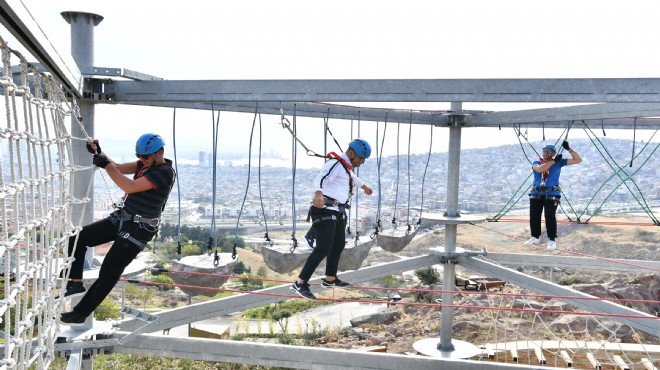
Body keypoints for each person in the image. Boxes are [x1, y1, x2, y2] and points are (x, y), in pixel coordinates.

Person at [60, 133, 176, 325]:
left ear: (159, 153)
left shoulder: (164, 172)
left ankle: (81, 313)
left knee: (109, 272)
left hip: (140, 228)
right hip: (123, 219)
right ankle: (75, 283)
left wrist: (105, 165)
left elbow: (129, 187)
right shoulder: (145, 164)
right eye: (139, 156)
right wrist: (100, 153)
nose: (141, 160)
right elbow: (119, 168)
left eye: (145, 157)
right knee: (78, 238)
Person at [290, 139, 374, 299]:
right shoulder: (336, 163)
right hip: (325, 210)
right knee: (323, 248)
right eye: (361, 158)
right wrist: (318, 193)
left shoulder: (345, 167)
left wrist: (364, 186)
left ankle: (330, 278)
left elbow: (353, 178)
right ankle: (300, 283)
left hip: (337, 210)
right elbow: (320, 178)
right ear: (351, 153)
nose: (362, 162)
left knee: (338, 245)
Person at [524, 140, 582, 250]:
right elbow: (541, 169)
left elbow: (578, 160)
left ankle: (551, 240)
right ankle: (535, 236)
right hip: (537, 192)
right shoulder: (537, 162)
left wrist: (569, 149)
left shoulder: (559, 162)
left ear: (553, 153)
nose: (546, 153)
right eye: (544, 151)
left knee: (549, 216)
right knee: (534, 215)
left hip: (552, 192)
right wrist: (554, 161)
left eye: (549, 152)